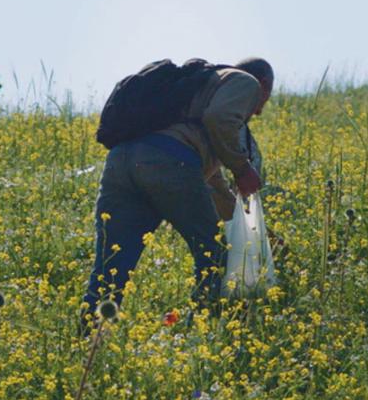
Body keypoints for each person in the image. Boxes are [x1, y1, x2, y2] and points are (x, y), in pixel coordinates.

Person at [80, 57, 274, 331]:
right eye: (263, 101)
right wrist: (243, 169)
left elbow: (213, 184)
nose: (257, 113)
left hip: (120, 161)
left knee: (111, 266)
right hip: (168, 161)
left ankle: (85, 343)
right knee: (213, 256)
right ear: (264, 86)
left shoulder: (194, 90)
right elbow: (220, 118)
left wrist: (250, 225)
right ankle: (200, 333)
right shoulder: (246, 82)